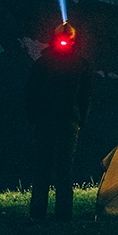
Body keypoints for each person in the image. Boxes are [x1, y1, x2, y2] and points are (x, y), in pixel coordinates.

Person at [25, 20, 94, 222]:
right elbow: (86, 97)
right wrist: (81, 120)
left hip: (44, 121)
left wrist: (33, 118)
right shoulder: (82, 65)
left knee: (42, 167)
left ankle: (38, 213)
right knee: (64, 169)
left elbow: (30, 93)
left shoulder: (41, 63)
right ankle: (64, 214)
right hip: (69, 122)